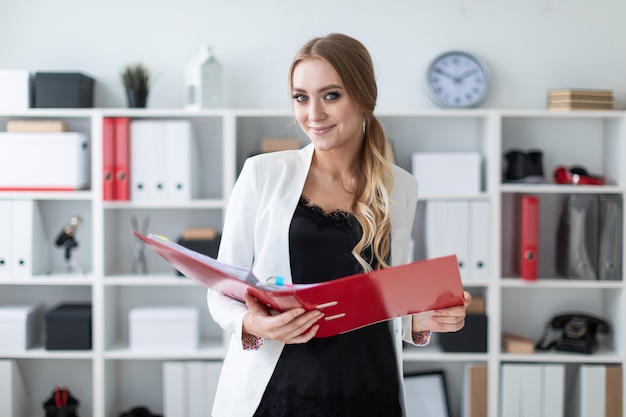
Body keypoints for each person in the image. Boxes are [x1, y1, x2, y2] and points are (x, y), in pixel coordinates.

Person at [207, 33, 472, 417]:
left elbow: (381, 302)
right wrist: (252, 323)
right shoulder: (262, 174)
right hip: (282, 389)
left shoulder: (400, 186)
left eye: (331, 96)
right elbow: (221, 291)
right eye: (301, 97)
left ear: (364, 97)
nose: (313, 114)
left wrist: (423, 318)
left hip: (370, 391)